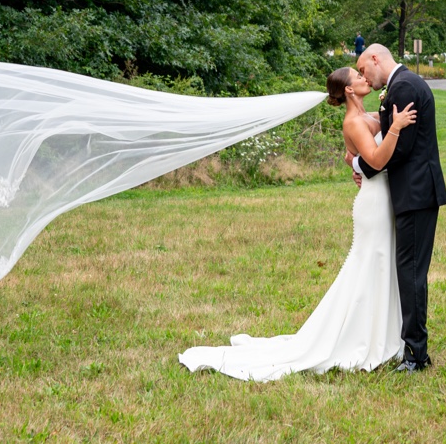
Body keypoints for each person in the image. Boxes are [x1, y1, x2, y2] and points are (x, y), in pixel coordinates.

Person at [180, 63, 419, 379]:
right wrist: (395, 129)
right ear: (349, 89)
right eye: (358, 77)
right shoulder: (353, 121)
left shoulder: (365, 117)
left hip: (382, 197)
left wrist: (358, 155)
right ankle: (360, 337)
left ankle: (384, 333)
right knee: (369, 263)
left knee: (381, 263)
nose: (364, 78)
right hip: (373, 204)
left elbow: (362, 152)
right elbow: (375, 160)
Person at [353, 45, 446, 373]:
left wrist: (362, 166)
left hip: (416, 192)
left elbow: (401, 150)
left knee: (411, 272)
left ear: (377, 59)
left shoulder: (404, 87)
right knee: (410, 270)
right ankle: (413, 347)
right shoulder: (403, 84)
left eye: (364, 69)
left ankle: (416, 354)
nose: (364, 76)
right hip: (416, 191)